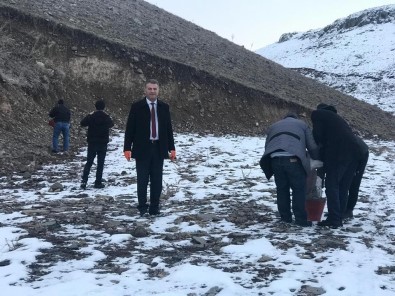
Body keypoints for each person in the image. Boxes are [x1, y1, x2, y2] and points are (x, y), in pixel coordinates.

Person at [123, 79, 176, 216]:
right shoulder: (137, 107)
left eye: (155, 89)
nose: (152, 91)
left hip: (159, 148)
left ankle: (154, 207)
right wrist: (127, 148)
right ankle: (142, 207)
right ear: (145, 90)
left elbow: (168, 129)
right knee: (142, 180)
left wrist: (172, 148)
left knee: (157, 180)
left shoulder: (164, 107)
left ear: (158, 90)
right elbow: (130, 129)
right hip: (142, 148)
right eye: (150, 89)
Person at [260, 112, 319, 227]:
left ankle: (285, 218)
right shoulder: (302, 124)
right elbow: (311, 145)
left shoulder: (274, 125)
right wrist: (317, 157)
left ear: (284, 118)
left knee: (282, 189)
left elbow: (268, 146)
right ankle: (301, 220)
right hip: (293, 159)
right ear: (295, 118)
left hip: (275, 160)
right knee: (298, 189)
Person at [311, 104, 361, 228]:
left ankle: (335, 220)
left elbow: (318, 136)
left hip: (339, 154)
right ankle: (339, 216)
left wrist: (317, 154)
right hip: (355, 153)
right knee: (343, 186)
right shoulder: (337, 120)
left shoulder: (317, 114)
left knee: (331, 186)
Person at [80, 100, 114, 189]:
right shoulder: (106, 116)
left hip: (92, 142)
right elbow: (111, 124)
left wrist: (89, 114)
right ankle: (98, 182)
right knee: (100, 163)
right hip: (102, 143)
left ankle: (84, 181)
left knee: (89, 162)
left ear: (95, 107)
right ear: (104, 107)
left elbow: (82, 123)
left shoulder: (91, 116)